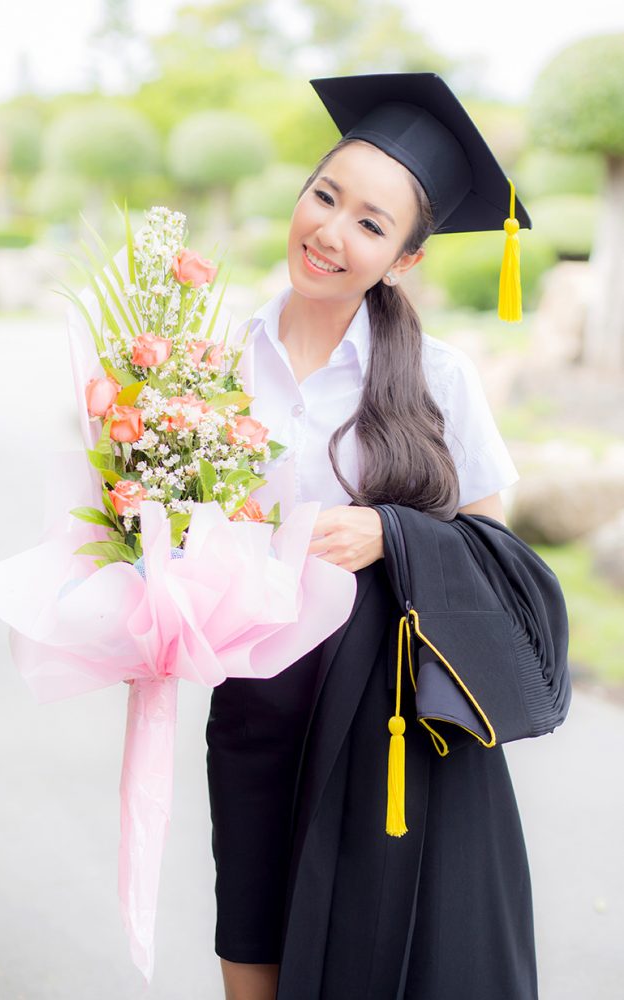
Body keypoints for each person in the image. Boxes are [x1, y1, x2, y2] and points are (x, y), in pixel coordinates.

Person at [205, 72, 560, 1000]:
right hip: (254, 700)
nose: (330, 231)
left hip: (389, 723)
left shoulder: (437, 378)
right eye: (324, 196)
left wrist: (389, 533)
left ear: (404, 259)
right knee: (249, 936)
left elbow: (497, 562)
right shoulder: (217, 359)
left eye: (370, 223)